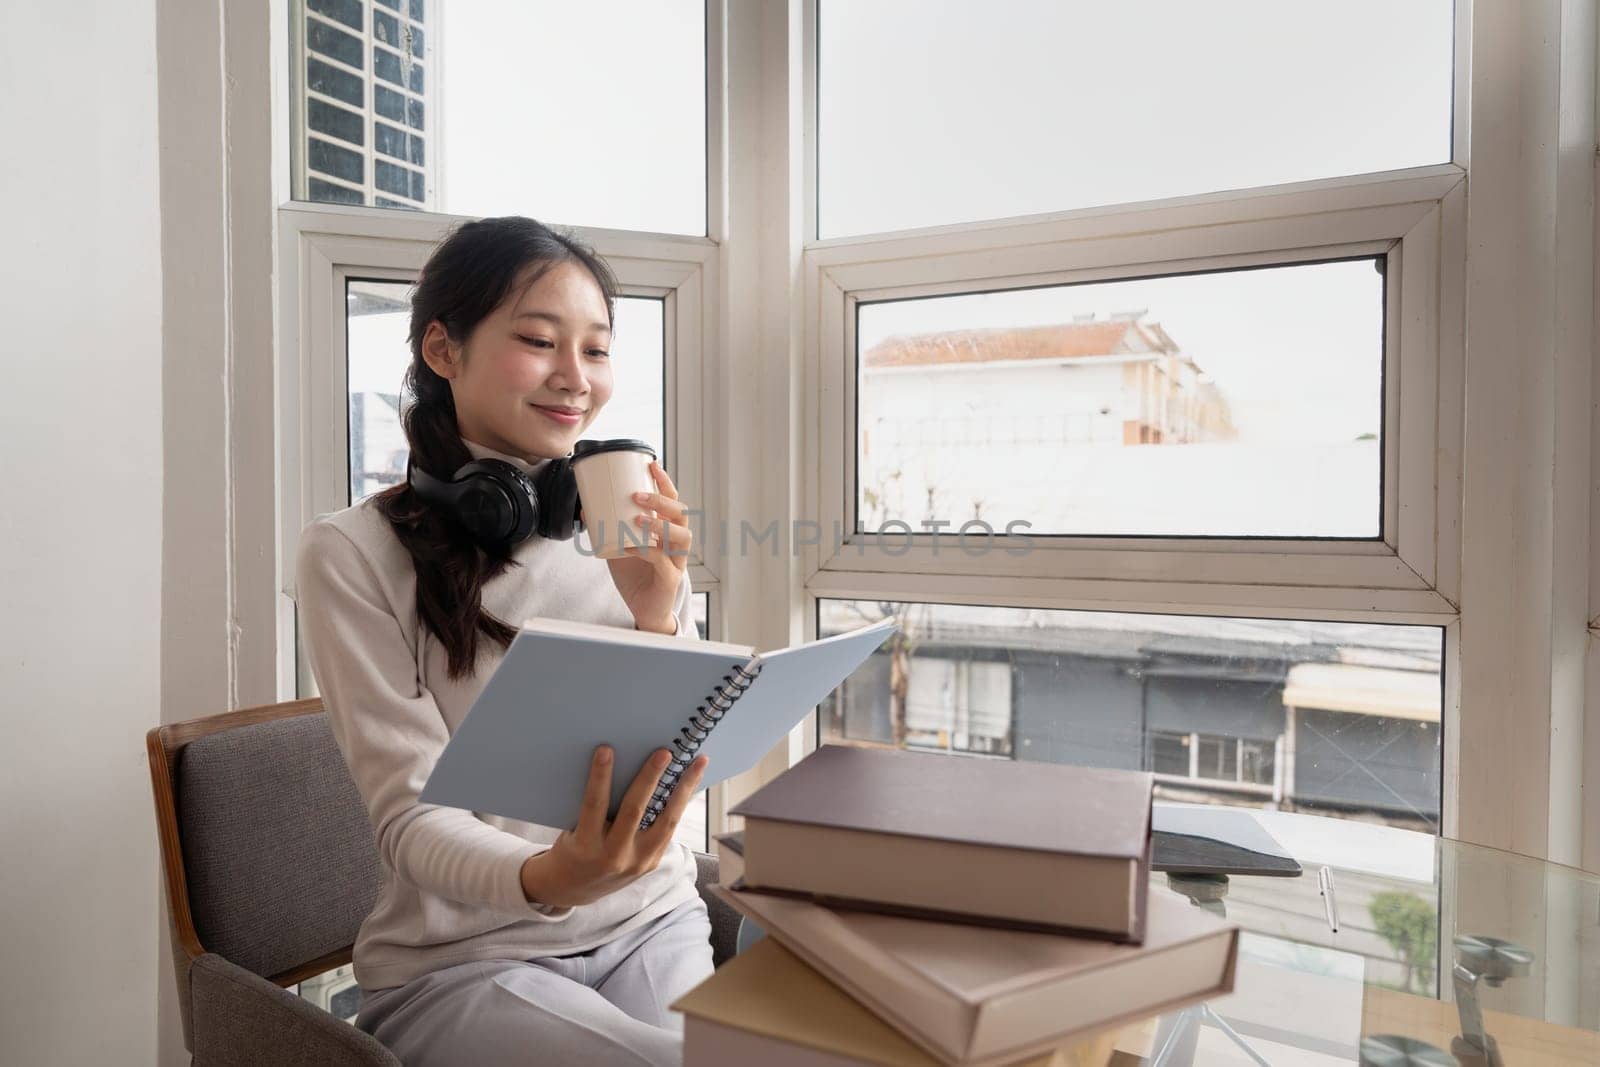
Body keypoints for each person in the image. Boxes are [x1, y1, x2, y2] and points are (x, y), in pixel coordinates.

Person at [293, 216, 713, 1066]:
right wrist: (550, 877)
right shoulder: (349, 553)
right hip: (466, 962)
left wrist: (660, 614)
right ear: (443, 350)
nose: (576, 378)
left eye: (596, 350)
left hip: (650, 921)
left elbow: (692, 757)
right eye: (538, 340)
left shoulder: (622, 522)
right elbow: (409, 817)